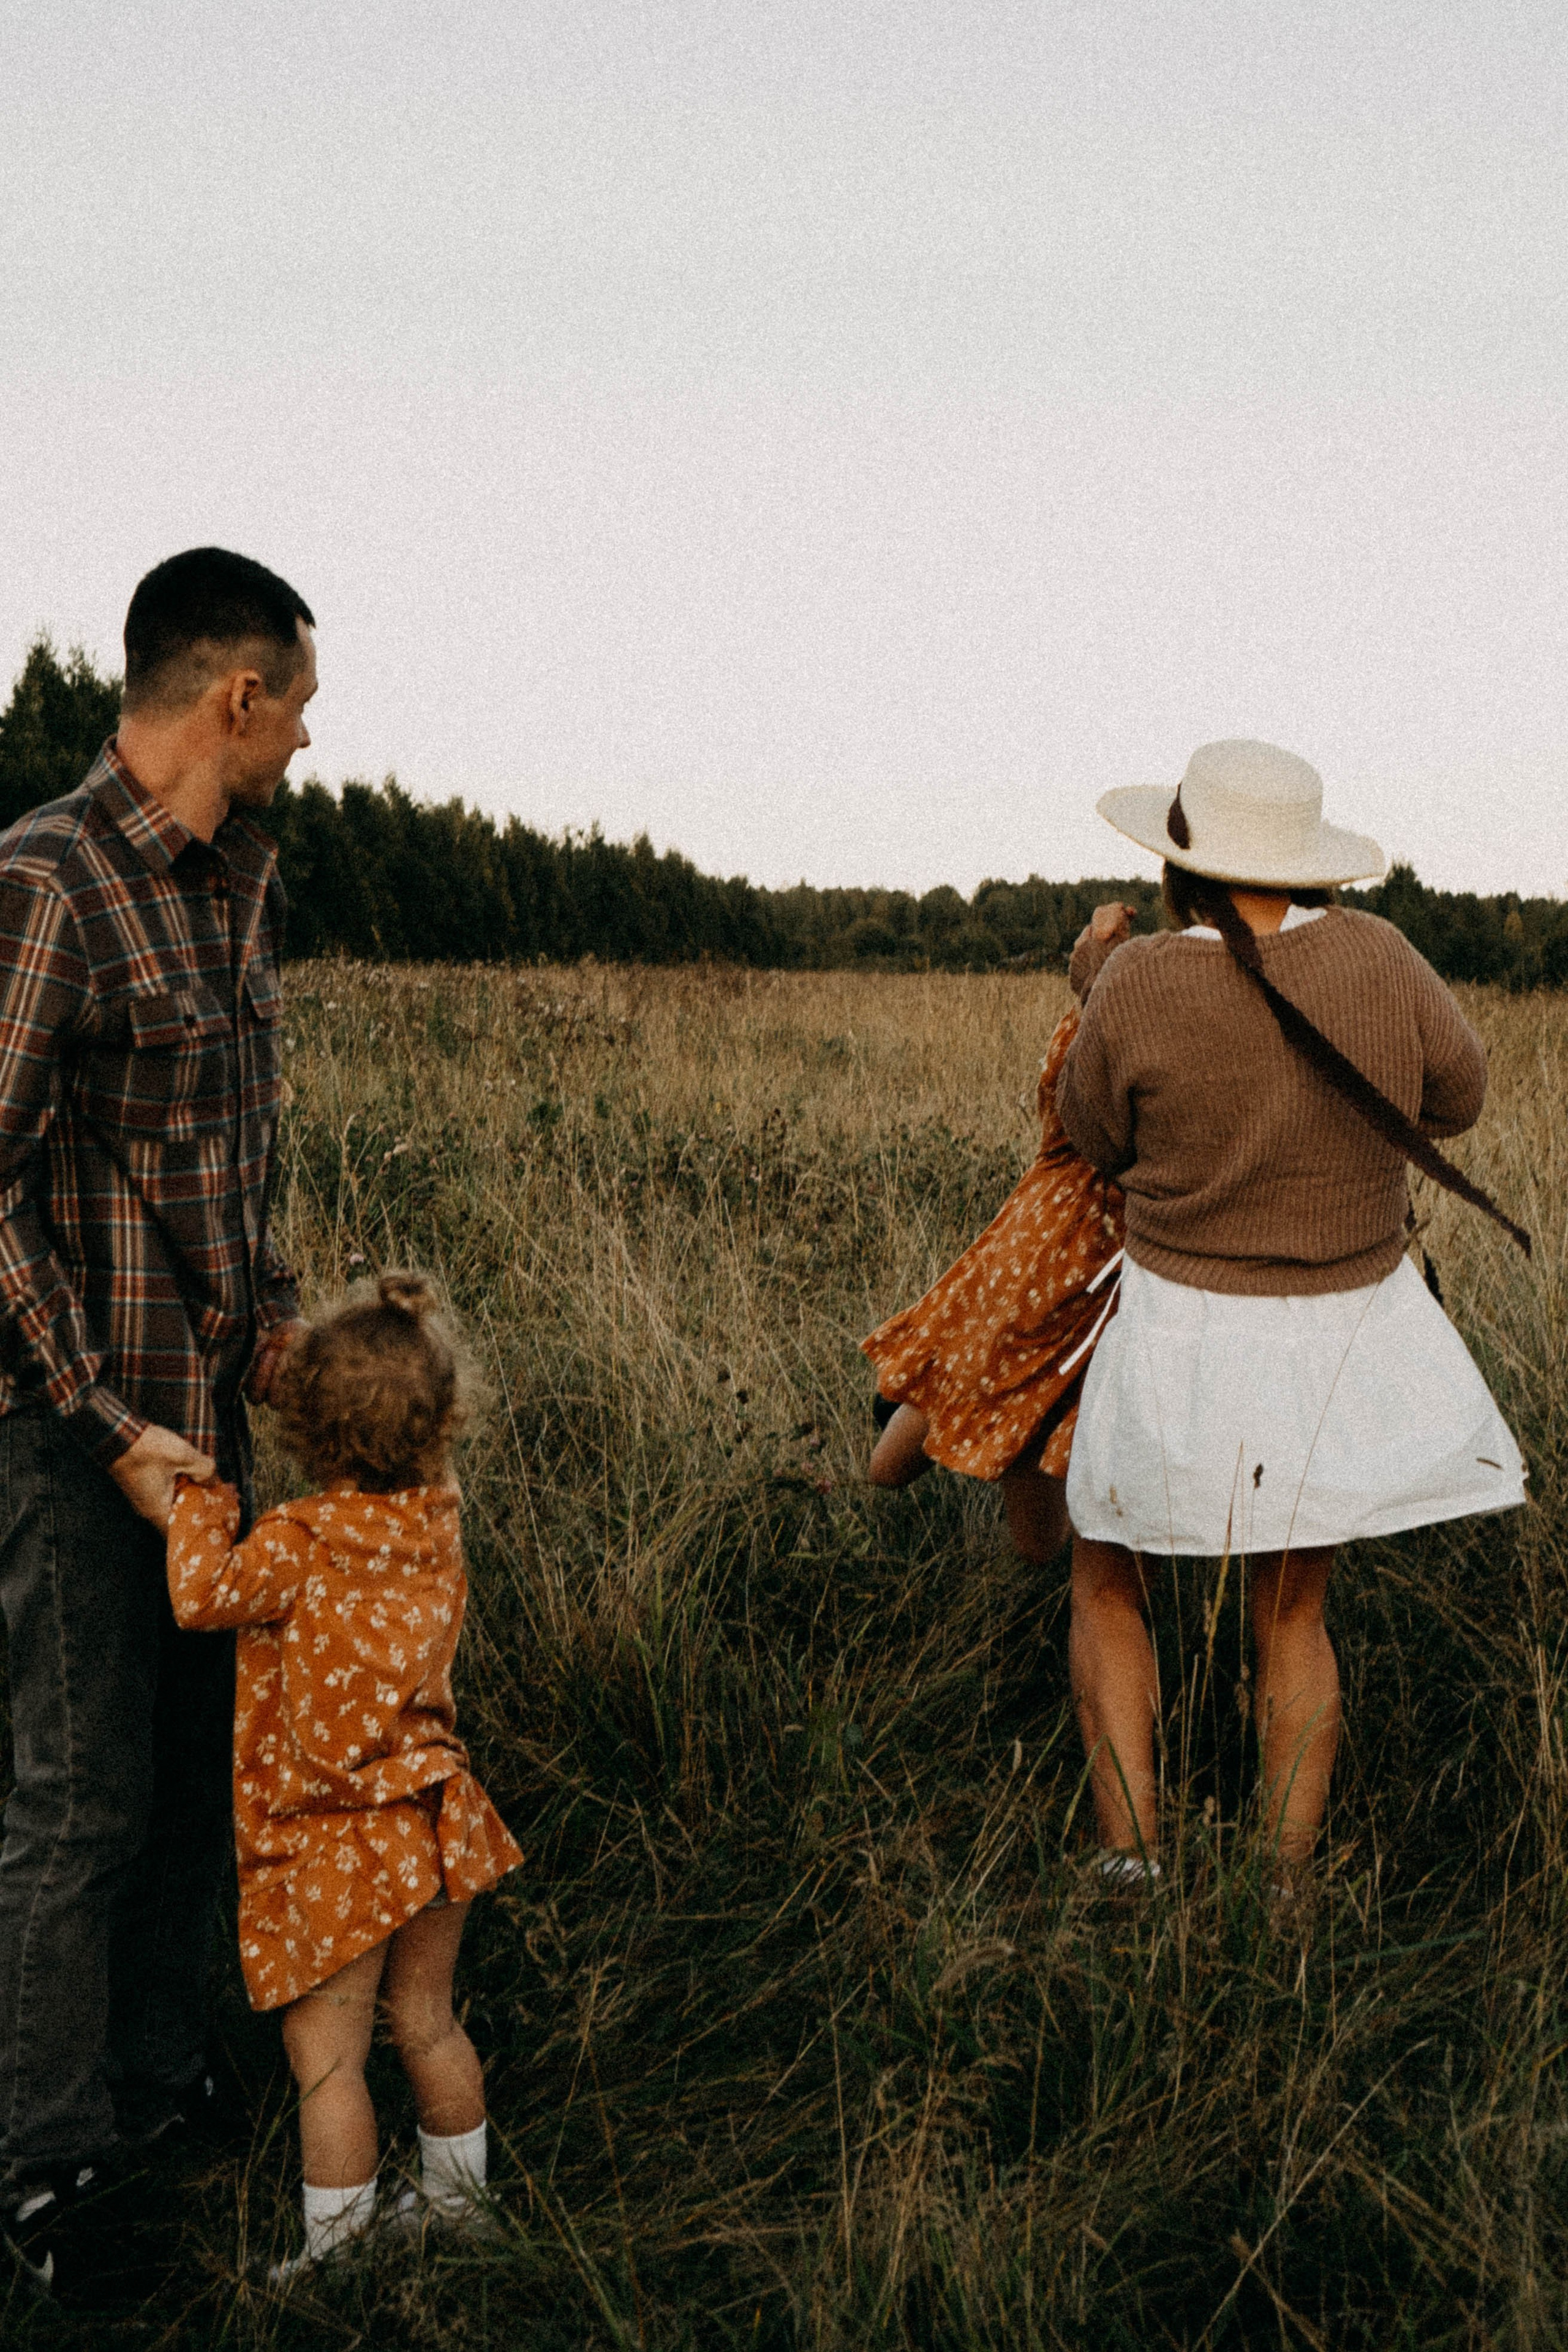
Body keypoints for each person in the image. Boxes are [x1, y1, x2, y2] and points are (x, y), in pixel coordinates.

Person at [0, 549, 315, 2301]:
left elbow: (230, 1147)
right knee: (77, 1797)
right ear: (234, 699)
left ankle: (156, 2078)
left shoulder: (240, 884)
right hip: (72, 1435)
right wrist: (96, 1415)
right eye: (302, 710)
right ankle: (48, 2175)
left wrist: (276, 1332)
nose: (307, 745)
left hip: (210, 1430)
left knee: (197, 1768)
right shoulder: (46, 881)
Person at [1055, 738, 1527, 1882]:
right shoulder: (1384, 955)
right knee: (1291, 1612)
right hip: (1338, 1333)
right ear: (1308, 858)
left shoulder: (1141, 979)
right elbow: (1456, 1099)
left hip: (1179, 1329)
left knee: (1109, 1576)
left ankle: (1130, 1865)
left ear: (1182, 863)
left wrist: (1096, 991)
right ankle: (1285, 1888)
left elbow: (1092, 1138)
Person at [165, 1272, 522, 2283]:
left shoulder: (297, 1544)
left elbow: (200, 1597)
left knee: (327, 2059)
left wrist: (201, 1500)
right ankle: (462, 2213)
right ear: (442, 1424)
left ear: (307, 1432)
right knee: (428, 2021)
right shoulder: (440, 1520)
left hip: (339, 1838)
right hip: (436, 1812)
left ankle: (339, 2254)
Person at [862, 918, 1130, 1564]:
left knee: (951, 1461)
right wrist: (1101, 987)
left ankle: (976, 1434)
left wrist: (1099, 983)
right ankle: (977, 1435)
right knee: (1018, 1519)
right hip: (1037, 1286)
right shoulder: (1090, 1113)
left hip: (1022, 1278)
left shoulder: (1075, 1110)